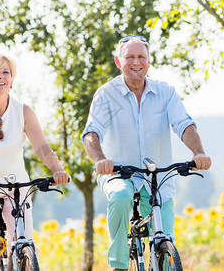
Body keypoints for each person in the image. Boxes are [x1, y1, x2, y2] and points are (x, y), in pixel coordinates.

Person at [81, 35, 211, 271]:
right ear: (118, 62)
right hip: (118, 174)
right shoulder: (106, 94)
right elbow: (91, 133)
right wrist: (100, 159)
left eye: (141, 56)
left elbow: (184, 124)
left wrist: (199, 152)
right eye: (129, 57)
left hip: (158, 178)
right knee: (120, 197)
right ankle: (119, 264)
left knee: (166, 248)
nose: (136, 62)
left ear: (149, 61)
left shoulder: (165, 92)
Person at [0, 53, 69, 271]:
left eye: (6, 72)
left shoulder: (23, 111)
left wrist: (57, 169)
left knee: (24, 239)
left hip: (17, 186)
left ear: (12, 80)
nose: (1, 77)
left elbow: (42, 148)